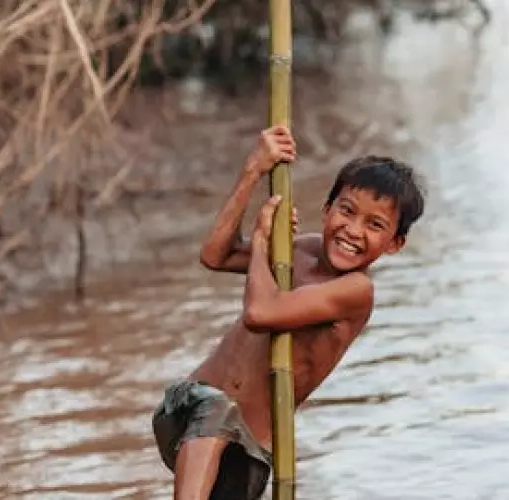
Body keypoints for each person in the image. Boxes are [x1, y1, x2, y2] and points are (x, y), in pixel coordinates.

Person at [152, 125, 426, 500]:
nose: (353, 230)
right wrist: (253, 171)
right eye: (347, 211)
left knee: (220, 414)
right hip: (188, 406)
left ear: (394, 244)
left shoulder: (356, 291)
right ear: (327, 210)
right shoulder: (303, 250)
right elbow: (215, 254)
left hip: (244, 450)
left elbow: (260, 313)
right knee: (215, 407)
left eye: (374, 225)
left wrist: (262, 240)